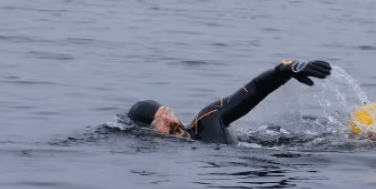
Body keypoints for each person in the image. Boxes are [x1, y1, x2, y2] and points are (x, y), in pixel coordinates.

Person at [128, 60, 332, 144]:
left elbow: (254, 89)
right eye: (160, 121)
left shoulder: (207, 121)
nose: (171, 120)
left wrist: (285, 70)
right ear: (149, 132)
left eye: (168, 112)